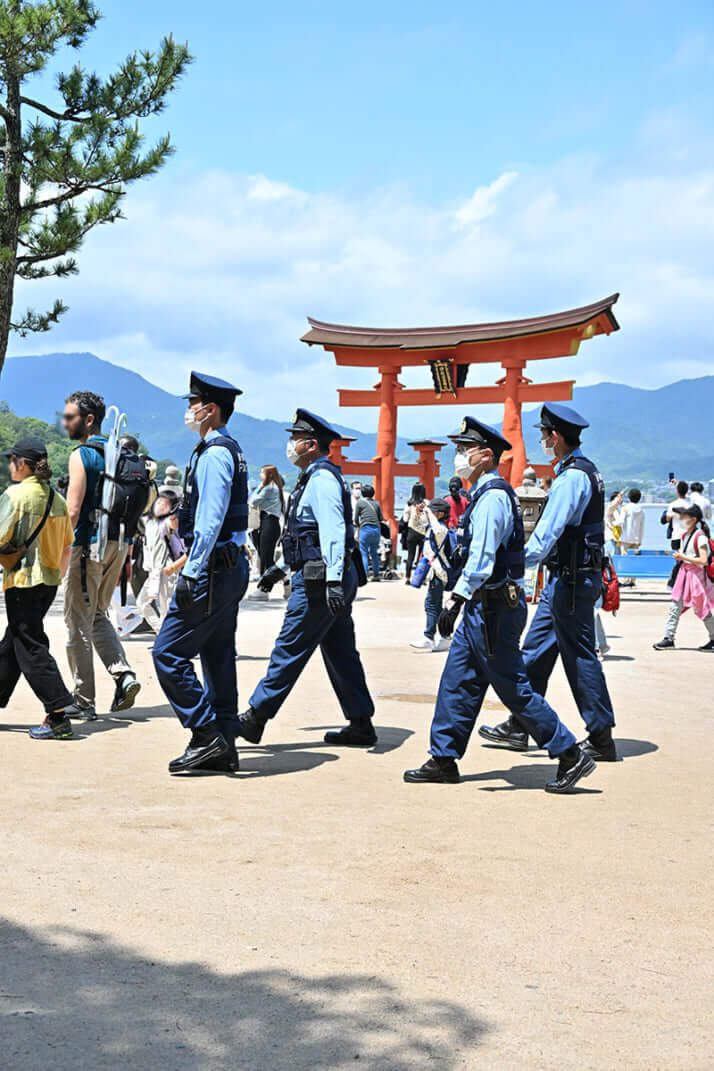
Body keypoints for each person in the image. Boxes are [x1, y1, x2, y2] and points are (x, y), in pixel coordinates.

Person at [404, 417, 594, 793]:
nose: (459, 456)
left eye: (464, 449)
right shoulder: (484, 496)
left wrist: (455, 600)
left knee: (512, 686)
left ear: (486, 455)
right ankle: (444, 757)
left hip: (491, 607)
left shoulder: (492, 499)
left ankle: (569, 751)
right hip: (481, 605)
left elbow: (482, 558)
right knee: (457, 681)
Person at [479, 403, 618, 763]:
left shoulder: (571, 477)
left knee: (580, 656)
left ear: (555, 436)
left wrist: (511, 564)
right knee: (535, 651)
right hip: (568, 580)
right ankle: (520, 723)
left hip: (570, 582)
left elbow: (547, 533)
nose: (542, 440)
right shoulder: (585, 471)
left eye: (543, 435)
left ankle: (601, 736)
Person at [237, 409, 376, 749]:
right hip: (326, 575)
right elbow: (306, 537)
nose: (290, 445)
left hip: (320, 580)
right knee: (340, 650)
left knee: (290, 645)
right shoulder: (313, 478)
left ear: (311, 445)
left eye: (295, 439)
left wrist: (331, 580)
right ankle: (360, 722)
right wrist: (279, 569)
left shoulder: (323, 480)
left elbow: (331, 533)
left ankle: (256, 716)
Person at [152, 372, 250, 775]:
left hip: (212, 567)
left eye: (193, 403)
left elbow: (209, 520)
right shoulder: (227, 449)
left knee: (167, 653)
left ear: (210, 409)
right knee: (217, 654)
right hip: (229, 565)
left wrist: (192, 570)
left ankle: (206, 733)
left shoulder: (213, 454)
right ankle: (224, 742)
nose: (189, 410)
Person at [62, 391, 141, 720]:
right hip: (118, 545)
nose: (65, 422)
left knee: (76, 621)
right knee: (96, 616)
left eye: (70, 417)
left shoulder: (82, 454)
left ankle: (83, 700)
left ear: (89, 419)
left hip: (88, 548)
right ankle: (124, 675)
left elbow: (73, 509)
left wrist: (60, 553)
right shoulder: (118, 453)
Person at [0, 437, 76, 740]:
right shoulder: (57, 498)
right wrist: (57, 576)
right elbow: (68, 547)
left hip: (21, 582)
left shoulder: (15, 495)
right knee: (13, 643)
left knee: (30, 645)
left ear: (23, 464)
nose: (8, 466)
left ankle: (58, 714)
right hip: (49, 582)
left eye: (11, 460)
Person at [653, 504, 714, 651]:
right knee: (675, 606)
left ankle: (713, 637)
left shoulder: (700, 537)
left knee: (702, 608)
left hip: (696, 578)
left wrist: (682, 557)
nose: (680, 519)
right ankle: (669, 637)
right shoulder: (686, 535)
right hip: (685, 575)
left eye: (683, 517)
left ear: (693, 519)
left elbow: (703, 560)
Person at [136, 491, 186, 633]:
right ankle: (161, 632)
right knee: (142, 603)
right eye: (159, 502)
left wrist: (173, 514)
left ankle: (168, 638)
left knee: (167, 608)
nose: (160, 506)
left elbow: (174, 525)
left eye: (165, 504)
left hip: (167, 569)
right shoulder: (149, 521)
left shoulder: (167, 522)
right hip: (153, 572)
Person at [409, 498, 452, 653]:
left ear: (440, 514)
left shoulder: (441, 528)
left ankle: (429, 636)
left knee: (432, 604)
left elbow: (439, 532)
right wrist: (417, 513)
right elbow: (414, 525)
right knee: (435, 606)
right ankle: (445, 636)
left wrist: (429, 513)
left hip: (438, 571)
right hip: (433, 571)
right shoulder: (430, 528)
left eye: (433, 511)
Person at [247, 465, 285, 599]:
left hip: (269, 523)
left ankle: (263, 590)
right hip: (267, 523)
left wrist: (260, 486)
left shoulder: (269, 487)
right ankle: (285, 582)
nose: (260, 475)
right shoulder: (273, 487)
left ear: (269, 474)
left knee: (266, 558)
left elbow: (254, 500)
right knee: (266, 556)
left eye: (262, 473)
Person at [354, 484, 384, 580]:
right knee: (374, 553)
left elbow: (355, 519)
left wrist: (358, 526)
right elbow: (381, 518)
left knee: (364, 553)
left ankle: (364, 575)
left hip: (365, 529)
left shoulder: (359, 503)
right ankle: (376, 575)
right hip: (376, 530)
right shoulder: (377, 503)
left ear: (362, 493)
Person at [402, 482, 427, 583]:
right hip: (423, 532)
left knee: (410, 556)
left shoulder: (409, 504)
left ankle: (407, 577)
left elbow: (405, 519)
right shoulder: (426, 504)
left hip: (412, 532)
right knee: (422, 556)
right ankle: (421, 578)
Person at [666, 481, 690, 551]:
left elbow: (668, 519)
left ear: (677, 491)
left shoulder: (673, 505)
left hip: (677, 535)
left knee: (677, 558)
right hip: (689, 536)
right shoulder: (691, 503)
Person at [620, 488, 645, 553]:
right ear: (639, 498)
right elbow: (641, 527)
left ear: (629, 497)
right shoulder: (641, 510)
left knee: (624, 560)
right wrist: (640, 540)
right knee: (634, 560)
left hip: (625, 539)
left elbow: (621, 522)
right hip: (636, 540)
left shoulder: (625, 508)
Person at [604, 490, 623, 559]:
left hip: (616, 539)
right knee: (611, 560)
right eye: (619, 498)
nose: (621, 499)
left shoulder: (618, 510)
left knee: (616, 559)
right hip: (611, 538)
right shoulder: (610, 509)